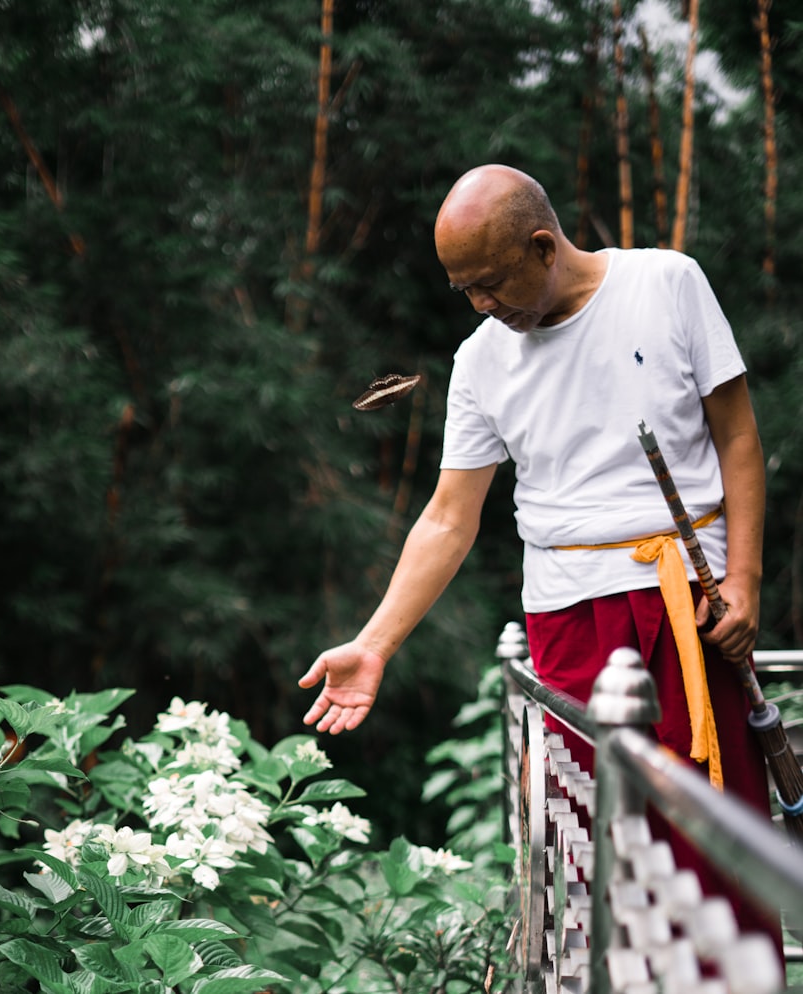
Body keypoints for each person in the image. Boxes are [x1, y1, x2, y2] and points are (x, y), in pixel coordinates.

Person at [298, 164, 781, 951]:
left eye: (491, 283)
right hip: (566, 620)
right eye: (465, 291)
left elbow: (738, 438)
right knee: (587, 852)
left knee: (708, 851)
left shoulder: (665, 283)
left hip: (684, 604)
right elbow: (449, 519)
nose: (483, 305)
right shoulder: (481, 361)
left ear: (542, 244)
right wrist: (375, 642)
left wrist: (744, 580)